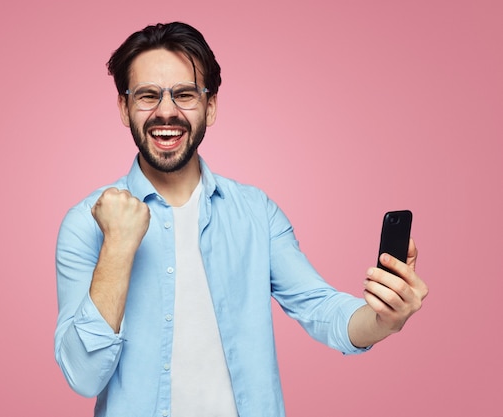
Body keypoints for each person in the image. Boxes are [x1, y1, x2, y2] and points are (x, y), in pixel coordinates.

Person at [54, 21, 428, 417]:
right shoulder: (85, 223)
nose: (166, 111)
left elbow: (321, 309)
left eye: (184, 95)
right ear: (124, 107)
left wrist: (384, 319)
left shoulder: (256, 211)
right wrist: (117, 245)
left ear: (210, 107)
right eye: (148, 95)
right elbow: (84, 376)